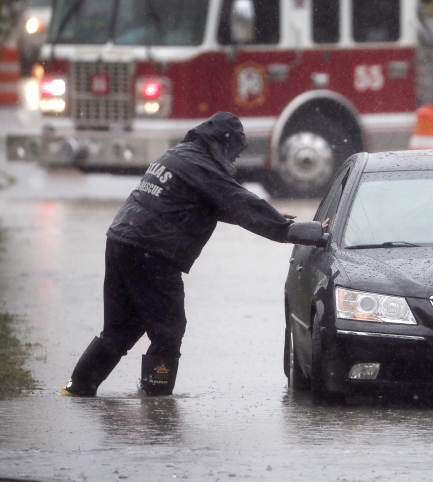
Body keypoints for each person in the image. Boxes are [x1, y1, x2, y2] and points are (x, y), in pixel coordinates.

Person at [61, 112, 306, 397]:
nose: (236, 159)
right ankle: (157, 403)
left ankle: (77, 389)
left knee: (119, 329)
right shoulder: (202, 166)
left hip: (120, 242)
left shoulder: (180, 155)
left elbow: (202, 202)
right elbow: (239, 201)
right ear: (223, 144)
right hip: (151, 251)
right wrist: (295, 231)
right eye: (235, 152)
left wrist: (271, 216)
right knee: (168, 331)